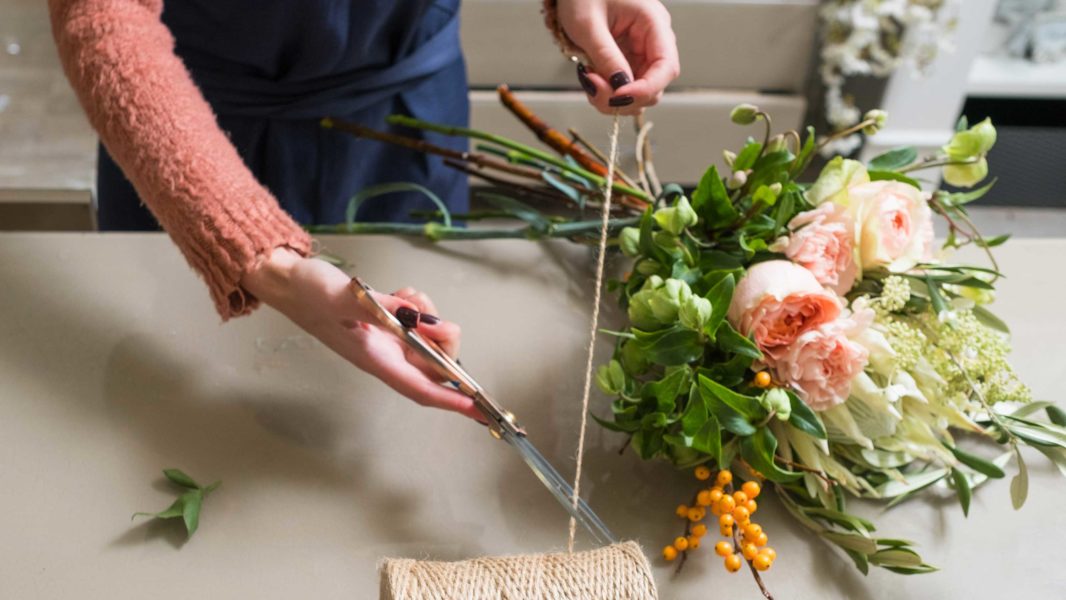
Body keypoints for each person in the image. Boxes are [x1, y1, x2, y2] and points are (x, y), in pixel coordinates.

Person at [48, 0, 680, 422]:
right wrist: (260, 255)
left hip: (402, 127)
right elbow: (107, 19)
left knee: (390, 417)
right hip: (179, 137)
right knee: (176, 414)